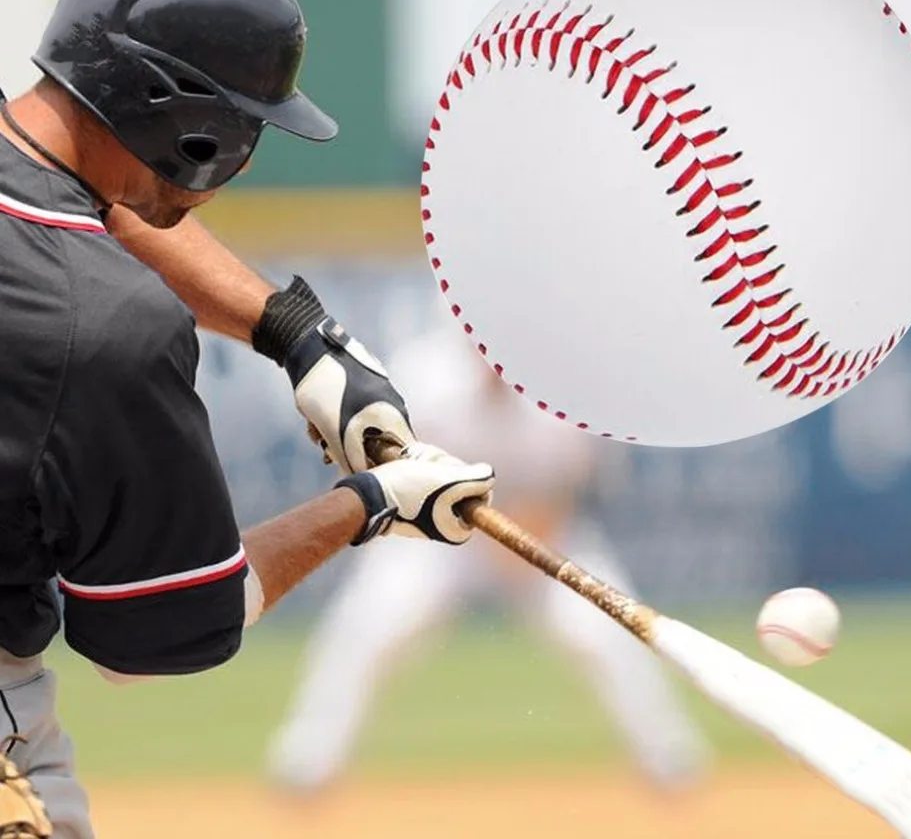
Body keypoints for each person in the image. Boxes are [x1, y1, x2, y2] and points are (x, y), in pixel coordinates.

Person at [0, 0, 494, 839]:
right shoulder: (104, 327)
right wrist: (369, 506)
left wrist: (296, 334)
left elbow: (70, 203)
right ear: (185, 121)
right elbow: (156, 635)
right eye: (241, 124)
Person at [267, 322, 711, 792]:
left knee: (603, 626)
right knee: (371, 622)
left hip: (537, 530)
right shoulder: (425, 375)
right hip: (433, 538)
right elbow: (383, 471)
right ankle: (308, 756)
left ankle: (669, 753)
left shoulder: (563, 385)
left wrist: (527, 533)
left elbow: (578, 482)